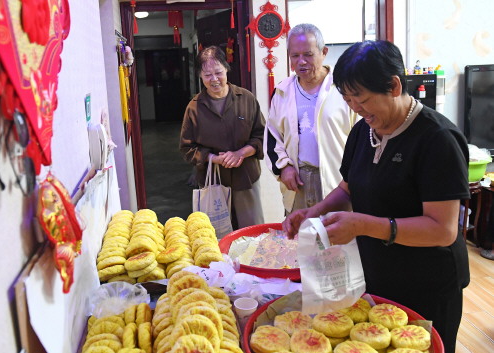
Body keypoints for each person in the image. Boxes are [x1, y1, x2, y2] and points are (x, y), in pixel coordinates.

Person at [282, 40, 470, 353]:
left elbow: (443, 229)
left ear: (394, 86)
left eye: (361, 98)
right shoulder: (363, 131)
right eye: (348, 98)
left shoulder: (437, 139)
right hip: (377, 274)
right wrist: (315, 211)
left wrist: (363, 225)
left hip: (427, 282)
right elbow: (349, 187)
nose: (355, 107)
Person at [264, 23, 358, 214]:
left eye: (308, 54)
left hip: (338, 184)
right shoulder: (283, 91)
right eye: (295, 56)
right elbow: (272, 136)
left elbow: (362, 136)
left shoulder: (344, 89)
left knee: (337, 240)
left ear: (323, 52)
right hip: (298, 182)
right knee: (298, 239)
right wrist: (284, 167)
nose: (301, 62)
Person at [180, 46, 265, 231]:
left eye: (218, 72)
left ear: (226, 69)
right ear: (200, 76)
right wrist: (213, 158)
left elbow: (262, 136)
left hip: (246, 178)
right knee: (218, 237)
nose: (214, 79)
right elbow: (187, 148)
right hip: (213, 184)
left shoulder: (246, 99)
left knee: (251, 234)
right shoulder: (194, 108)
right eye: (207, 75)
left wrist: (241, 153)